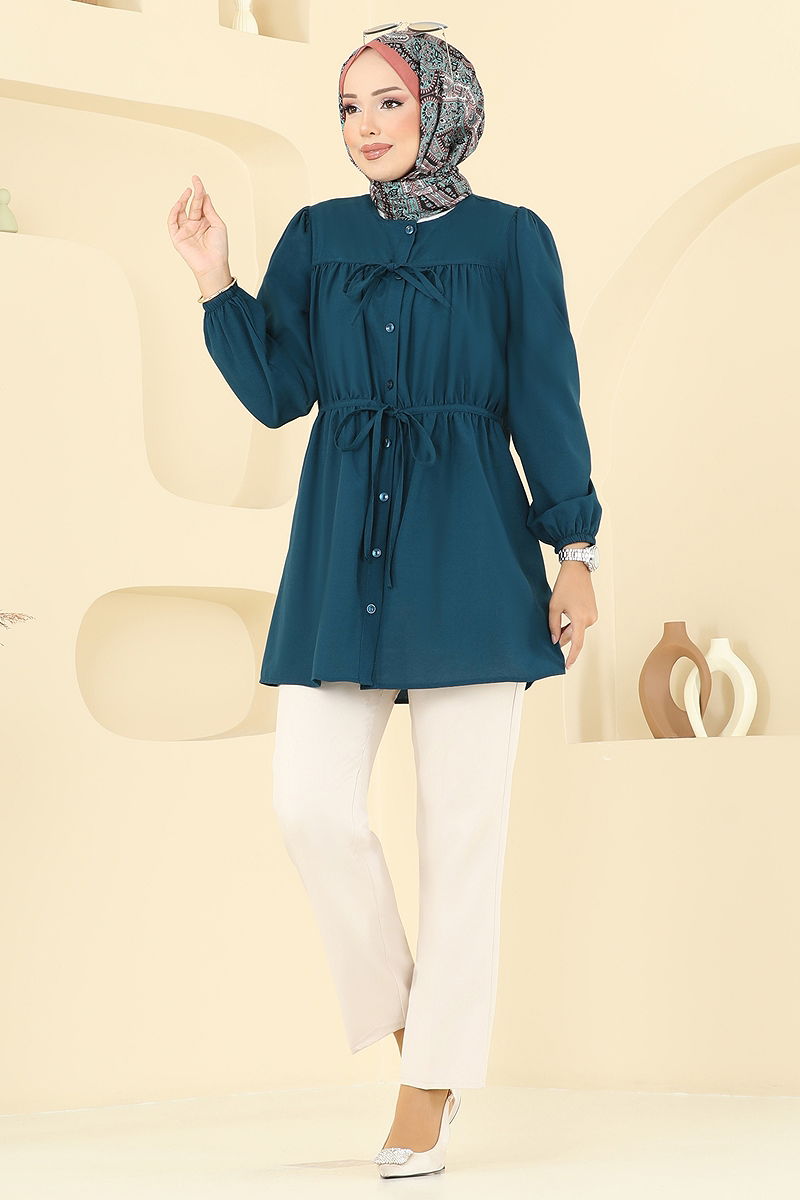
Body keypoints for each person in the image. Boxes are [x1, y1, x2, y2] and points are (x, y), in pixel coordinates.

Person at [167, 23, 601, 1179]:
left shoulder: (510, 240)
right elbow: (279, 393)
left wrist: (575, 549)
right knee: (307, 805)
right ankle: (426, 1037)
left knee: (462, 838)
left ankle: (427, 1089)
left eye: (387, 102)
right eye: (348, 106)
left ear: (440, 108)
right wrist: (214, 278)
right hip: (339, 555)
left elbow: (544, 396)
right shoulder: (317, 236)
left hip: (472, 554)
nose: (364, 126)